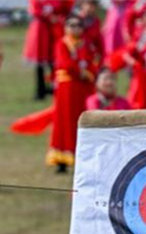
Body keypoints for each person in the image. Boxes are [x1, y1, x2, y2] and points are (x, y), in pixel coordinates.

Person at [47, 15, 98, 172]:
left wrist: (88, 73)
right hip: (67, 88)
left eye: (78, 25)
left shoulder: (87, 44)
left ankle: (84, 155)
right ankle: (62, 159)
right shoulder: (62, 44)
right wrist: (80, 71)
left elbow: (93, 61)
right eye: (71, 25)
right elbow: (64, 63)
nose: (74, 28)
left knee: (83, 118)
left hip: (83, 88)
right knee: (65, 120)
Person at [24, 0, 72, 101]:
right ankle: (40, 90)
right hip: (41, 30)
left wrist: (58, 17)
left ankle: (55, 88)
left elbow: (66, 7)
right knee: (40, 62)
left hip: (56, 29)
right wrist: (50, 16)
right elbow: (35, 10)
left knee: (56, 61)